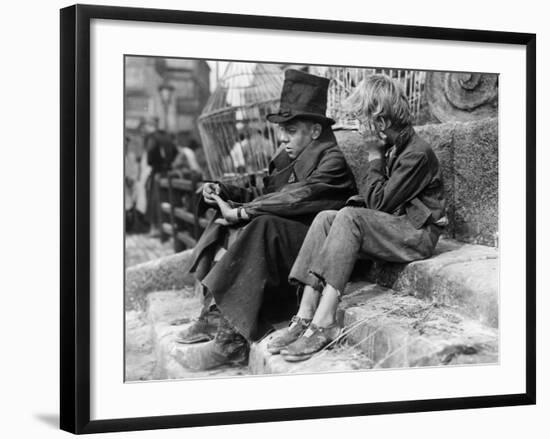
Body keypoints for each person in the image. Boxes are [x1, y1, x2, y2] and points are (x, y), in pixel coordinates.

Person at [177, 69, 357, 370]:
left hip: (316, 255)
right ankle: (214, 315)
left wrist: (246, 211)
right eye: (283, 130)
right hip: (288, 245)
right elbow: (263, 191)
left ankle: (231, 342)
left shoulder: (332, 161)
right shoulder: (287, 157)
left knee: (261, 224)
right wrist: (222, 190)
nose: (283, 138)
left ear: (314, 131)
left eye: (291, 131)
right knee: (224, 222)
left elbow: (298, 197)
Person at [267, 73, 447, 362]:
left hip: (417, 235)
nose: (360, 128)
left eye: (363, 119)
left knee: (349, 217)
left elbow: (380, 203)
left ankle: (324, 322)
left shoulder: (417, 154)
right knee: (327, 217)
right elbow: (381, 202)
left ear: (381, 122)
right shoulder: (395, 147)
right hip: (398, 225)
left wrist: (374, 156)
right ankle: (303, 315)